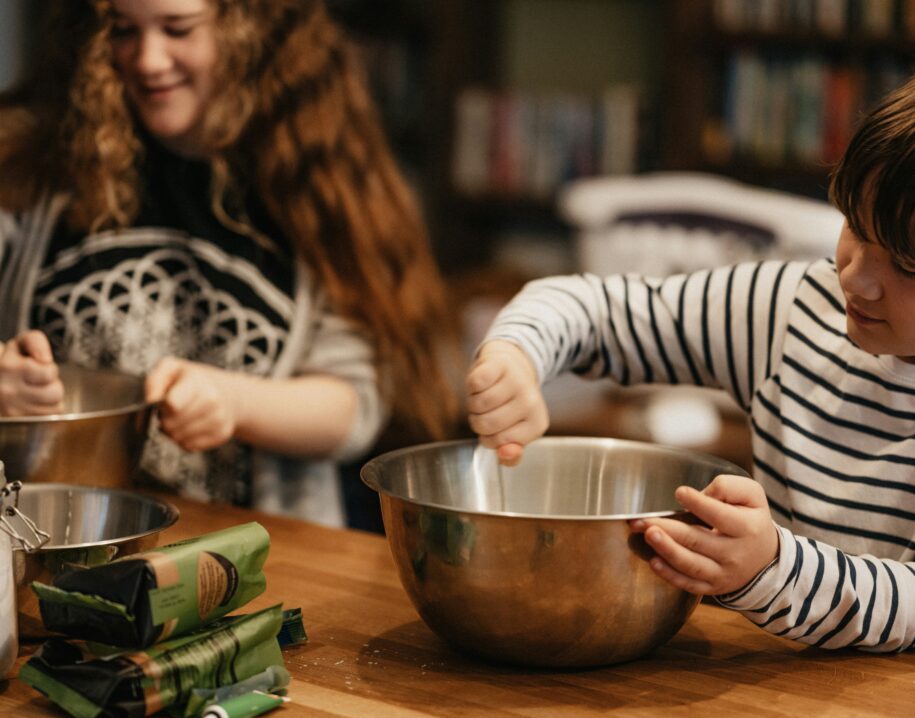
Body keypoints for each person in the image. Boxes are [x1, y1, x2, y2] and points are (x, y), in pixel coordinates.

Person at [466, 76, 915, 652]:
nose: (855, 277)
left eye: (904, 264)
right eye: (855, 225)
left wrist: (772, 568)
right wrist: (516, 356)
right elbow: (592, 308)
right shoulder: (793, 308)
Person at [0, 0, 457, 526]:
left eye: (178, 28)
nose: (147, 60)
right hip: (44, 538)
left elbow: (353, 409)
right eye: (123, 31)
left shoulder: (315, 181)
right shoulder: (30, 168)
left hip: (254, 559)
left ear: (248, 29)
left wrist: (233, 402)